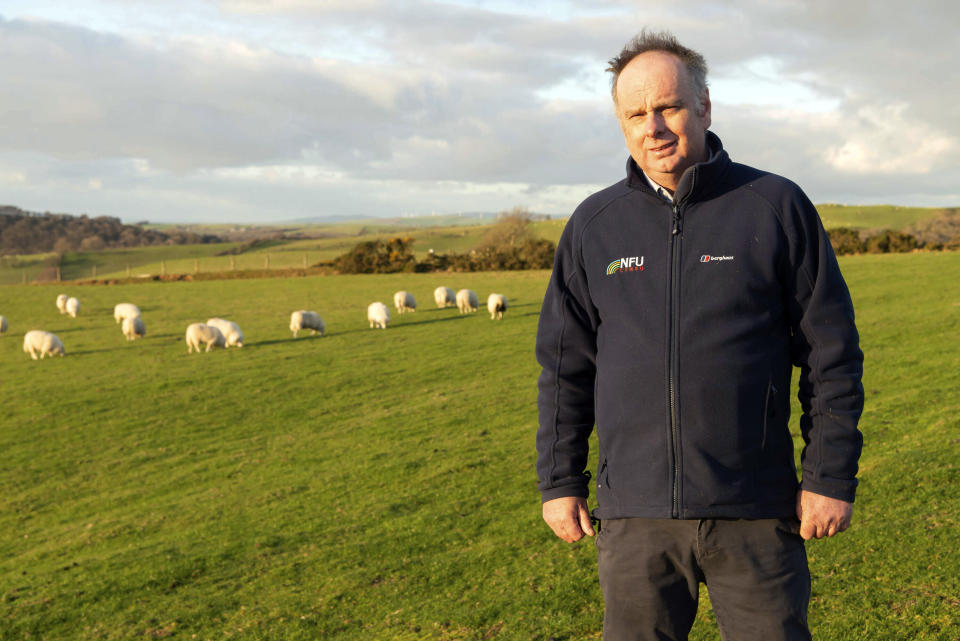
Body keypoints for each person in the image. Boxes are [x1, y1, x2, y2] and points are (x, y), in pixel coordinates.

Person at [535, 29, 864, 641]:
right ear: (621, 123)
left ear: (705, 107)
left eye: (668, 107)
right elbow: (565, 367)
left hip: (755, 507)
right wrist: (560, 482)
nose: (653, 127)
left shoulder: (774, 205)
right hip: (636, 517)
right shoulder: (594, 226)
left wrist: (828, 476)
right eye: (636, 114)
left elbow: (831, 353)